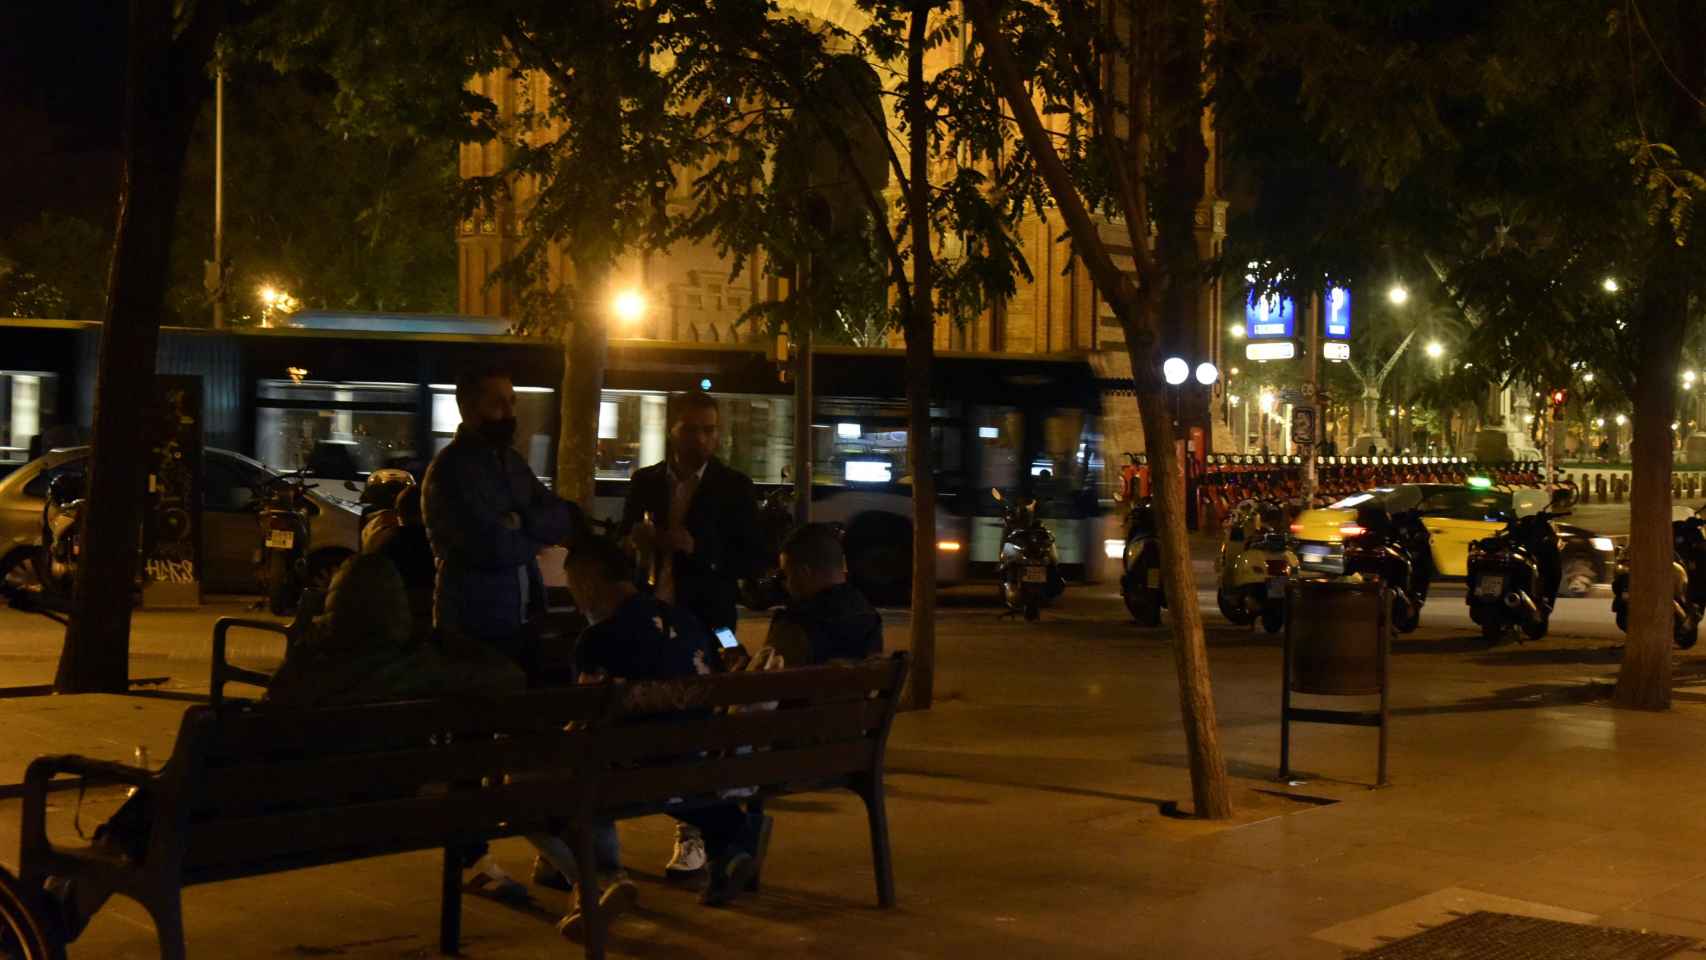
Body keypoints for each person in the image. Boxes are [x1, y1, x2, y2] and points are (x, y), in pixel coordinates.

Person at [41, 555, 527, 944]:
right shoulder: (424, 666)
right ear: (398, 611)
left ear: (336, 606)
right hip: (368, 809)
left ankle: (52, 914)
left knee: (149, 813)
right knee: (170, 801)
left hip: (250, 814)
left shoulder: (313, 665)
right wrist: (442, 640)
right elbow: (508, 674)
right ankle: (54, 910)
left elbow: (259, 732)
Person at [534, 536, 766, 940]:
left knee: (531, 785)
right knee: (648, 762)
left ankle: (599, 880)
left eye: (573, 588)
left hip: (633, 772)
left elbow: (587, 720)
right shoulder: (689, 622)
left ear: (589, 583)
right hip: (699, 762)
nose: (575, 600)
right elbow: (723, 658)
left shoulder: (598, 639)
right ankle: (731, 841)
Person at [423, 365, 579, 672]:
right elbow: (490, 547)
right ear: (468, 409)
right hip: (474, 628)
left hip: (524, 618)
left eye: (512, 401)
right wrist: (536, 537)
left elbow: (563, 517)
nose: (509, 412)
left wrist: (520, 522)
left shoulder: (512, 461)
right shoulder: (450, 470)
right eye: (498, 403)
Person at [621, 391, 761, 638]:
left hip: (715, 620)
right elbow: (622, 540)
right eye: (690, 430)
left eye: (708, 430)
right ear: (671, 431)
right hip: (651, 613)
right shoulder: (645, 481)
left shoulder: (735, 487)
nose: (700, 439)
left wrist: (695, 548)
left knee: (722, 668)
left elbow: (751, 559)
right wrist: (634, 543)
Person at [761, 523, 883, 667]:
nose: (784, 584)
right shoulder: (869, 617)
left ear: (804, 573)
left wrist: (730, 645)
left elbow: (762, 683)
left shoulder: (794, 624)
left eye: (785, 574)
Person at [364, 485, 436, 641]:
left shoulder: (378, 540)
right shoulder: (436, 545)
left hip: (385, 626)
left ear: (397, 512)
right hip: (428, 626)